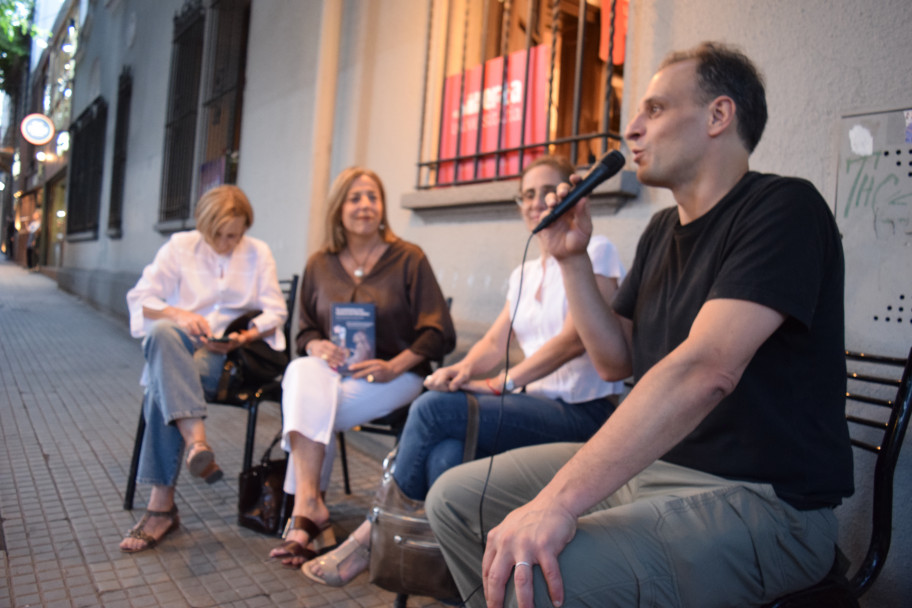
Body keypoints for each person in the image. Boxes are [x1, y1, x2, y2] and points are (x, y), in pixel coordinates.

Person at [426, 41, 852, 608]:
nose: (631, 129)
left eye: (653, 109)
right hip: (656, 467)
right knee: (454, 498)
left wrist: (558, 501)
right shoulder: (658, 233)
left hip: (766, 503)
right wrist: (572, 259)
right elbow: (614, 359)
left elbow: (707, 369)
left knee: (551, 569)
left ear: (718, 116)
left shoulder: (784, 209)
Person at [300, 155, 627, 588]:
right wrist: (460, 372)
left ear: (571, 193)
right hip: (534, 409)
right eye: (526, 194)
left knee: (435, 410)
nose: (535, 203)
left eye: (546, 192)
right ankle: (453, 577)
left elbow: (574, 339)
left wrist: (501, 383)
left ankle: (370, 535)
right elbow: (494, 343)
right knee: (445, 457)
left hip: (586, 412)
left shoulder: (595, 250)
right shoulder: (524, 272)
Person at [268, 167, 456, 568]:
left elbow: (440, 332)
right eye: (354, 198)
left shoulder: (409, 258)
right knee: (301, 372)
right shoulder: (320, 263)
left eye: (372, 196)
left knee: (309, 404)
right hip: (333, 376)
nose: (365, 205)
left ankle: (305, 516)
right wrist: (317, 345)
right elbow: (303, 332)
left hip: (396, 377)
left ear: (383, 206)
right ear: (339, 209)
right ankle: (310, 503)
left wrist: (395, 364)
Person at [121, 185, 287, 553]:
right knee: (165, 334)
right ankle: (196, 440)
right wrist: (179, 314)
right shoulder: (180, 247)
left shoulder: (258, 253)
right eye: (220, 235)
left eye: (236, 234)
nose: (228, 242)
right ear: (203, 226)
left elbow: (276, 311)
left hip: (228, 360)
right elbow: (141, 299)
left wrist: (243, 336)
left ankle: (160, 508)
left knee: (160, 382)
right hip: (182, 350)